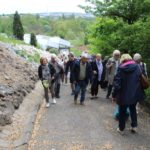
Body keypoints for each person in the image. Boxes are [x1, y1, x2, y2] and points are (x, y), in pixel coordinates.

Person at [112, 54, 146, 134]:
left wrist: (114, 95)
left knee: (122, 112)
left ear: (123, 60)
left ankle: (121, 129)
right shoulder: (138, 67)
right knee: (133, 109)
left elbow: (117, 84)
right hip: (135, 94)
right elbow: (141, 79)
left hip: (123, 95)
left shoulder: (121, 68)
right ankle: (134, 126)